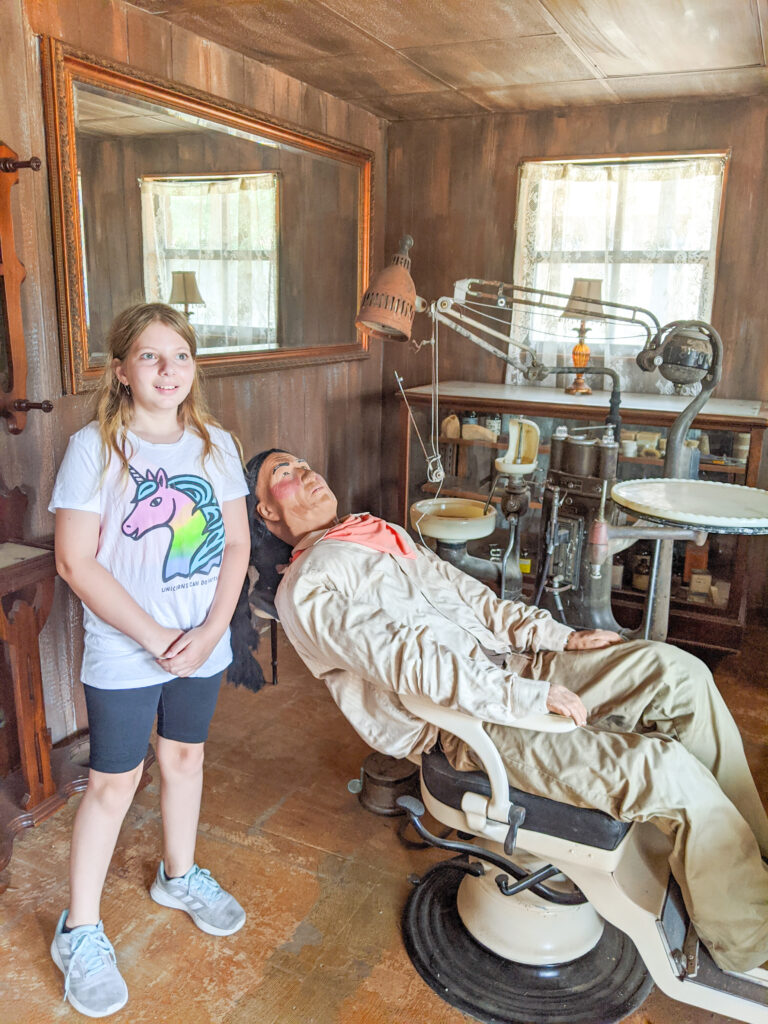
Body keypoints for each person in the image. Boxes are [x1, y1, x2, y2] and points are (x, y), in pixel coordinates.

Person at [234, 447, 768, 979]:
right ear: (266, 513)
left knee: (679, 676)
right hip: (465, 725)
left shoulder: (377, 532)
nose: (306, 473)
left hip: (517, 669)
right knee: (661, 768)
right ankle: (750, 942)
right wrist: (528, 699)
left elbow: (477, 600)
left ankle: (754, 856)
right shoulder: (306, 587)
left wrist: (560, 637)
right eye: (284, 473)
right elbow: (412, 664)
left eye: (305, 463)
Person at [48, 304, 251, 1017]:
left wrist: (209, 630)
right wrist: (153, 635)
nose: (169, 370)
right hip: (126, 650)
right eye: (151, 356)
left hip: (203, 641)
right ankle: (80, 929)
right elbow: (75, 562)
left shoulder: (214, 443)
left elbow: (235, 547)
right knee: (115, 781)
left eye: (181, 356)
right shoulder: (94, 448)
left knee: (186, 759)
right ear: (122, 371)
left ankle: (179, 873)